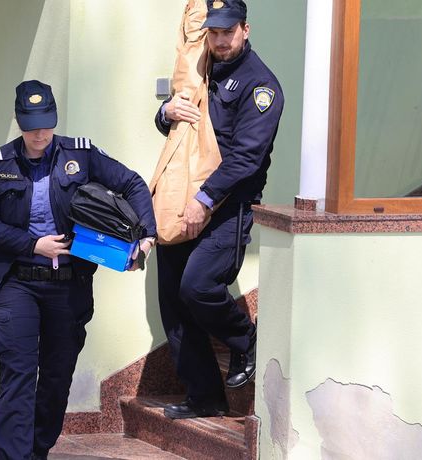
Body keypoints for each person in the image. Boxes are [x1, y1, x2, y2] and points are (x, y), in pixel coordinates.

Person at [0, 80, 156, 459]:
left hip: (68, 284)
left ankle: (37, 451)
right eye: (31, 126)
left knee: (56, 378)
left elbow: (133, 184)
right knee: (19, 375)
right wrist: (31, 244)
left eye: (46, 124)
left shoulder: (81, 155)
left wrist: (147, 236)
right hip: (17, 282)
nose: (39, 134)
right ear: (19, 121)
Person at [154, 0, 284, 419]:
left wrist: (204, 201)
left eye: (228, 31)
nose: (220, 40)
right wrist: (165, 111)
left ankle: (246, 338)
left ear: (246, 29)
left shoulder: (261, 86)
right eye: (214, 32)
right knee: (174, 300)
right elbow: (176, 125)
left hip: (228, 206)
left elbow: (245, 159)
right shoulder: (200, 65)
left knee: (198, 286)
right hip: (185, 197)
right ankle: (204, 395)